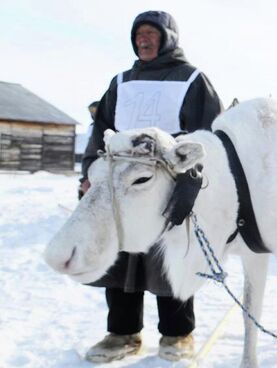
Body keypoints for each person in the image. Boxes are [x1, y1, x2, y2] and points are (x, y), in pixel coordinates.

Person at [80, 10, 223, 363]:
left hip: (169, 189)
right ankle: (123, 333)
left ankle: (177, 334)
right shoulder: (121, 82)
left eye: (151, 33)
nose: (143, 39)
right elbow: (101, 130)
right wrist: (88, 173)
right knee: (120, 260)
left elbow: (210, 134)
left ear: (167, 38)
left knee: (169, 259)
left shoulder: (192, 80)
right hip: (121, 189)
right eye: (138, 34)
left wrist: (195, 184)